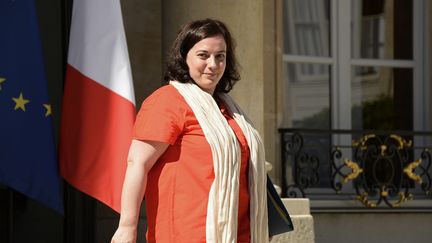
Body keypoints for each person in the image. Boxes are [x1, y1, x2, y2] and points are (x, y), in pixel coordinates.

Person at [111, 18, 268, 243]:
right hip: (185, 234)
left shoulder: (229, 109)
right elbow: (137, 164)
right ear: (184, 57)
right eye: (203, 55)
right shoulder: (167, 101)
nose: (213, 64)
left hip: (239, 234)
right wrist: (127, 226)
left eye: (220, 56)